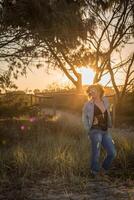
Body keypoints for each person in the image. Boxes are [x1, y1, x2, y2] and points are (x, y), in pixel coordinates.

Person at [82, 83, 116, 177]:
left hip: (105, 131)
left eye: (94, 90)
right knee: (96, 150)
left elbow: (108, 112)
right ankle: (94, 171)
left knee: (112, 153)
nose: (92, 92)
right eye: (90, 91)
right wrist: (88, 128)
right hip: (94, 131)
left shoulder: (105, 101)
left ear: (100, 91)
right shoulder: (88, 104)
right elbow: (84, 118)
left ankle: (104, 169)